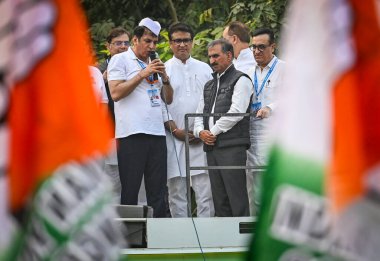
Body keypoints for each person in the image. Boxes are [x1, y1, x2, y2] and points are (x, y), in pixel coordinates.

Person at [107, 18, 173, 217]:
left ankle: (160, 236)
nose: (152, 46)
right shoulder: (120, 60)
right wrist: (142, 74)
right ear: (135, 40)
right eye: (147, 41)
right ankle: (129, 239)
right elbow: (116, 93)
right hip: (131, 133)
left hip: (157, 132)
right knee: (130, 189)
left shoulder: (154, 61)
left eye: (155, 42)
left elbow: (168, 100)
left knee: (158, 190)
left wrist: (166, 79)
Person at [194, 39, 253, 217]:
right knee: (219, 199)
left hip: (232, 146)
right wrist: (200, 132)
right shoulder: (209, 85)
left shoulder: (241, 79)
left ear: (229, 55)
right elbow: (199, 114)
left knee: (237, 197)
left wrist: (212, 132)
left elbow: (237, 111)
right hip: (212, 147)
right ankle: (224, 243)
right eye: (210, 56)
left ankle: (242, 243)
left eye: (216, 56)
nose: (212, 60)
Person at [163, 22, 214, 218]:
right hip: (174, 137)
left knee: (204, 190)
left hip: (200, 138)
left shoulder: (205, 69)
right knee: (177, 190)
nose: (182, 45)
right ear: (170, 44)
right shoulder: (163, 70)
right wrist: (175, 130)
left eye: (186, 40)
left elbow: (212, 102)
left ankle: (206, 234)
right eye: (177, 41)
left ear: (192, 43)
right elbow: (158, 104)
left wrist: (200, 130)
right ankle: (181, 237)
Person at [246, 28, 285, 215]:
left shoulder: (285, 69)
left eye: (261, 47)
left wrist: (271, 107)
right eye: (253, 47)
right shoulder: (246, 71)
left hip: (274, 135)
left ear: (273, 46)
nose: (256, 51)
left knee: (272, 184)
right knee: (252, 187)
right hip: (250, 135)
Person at [97, 28, 130, 200]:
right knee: (113, 184)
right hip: (111, 132)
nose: (123, 47)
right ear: (108, 46)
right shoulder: (98, 70)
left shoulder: (137, 66)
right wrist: (103, 80)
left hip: (133, 132)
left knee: (135, 184)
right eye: (118, 43)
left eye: (126, 43)